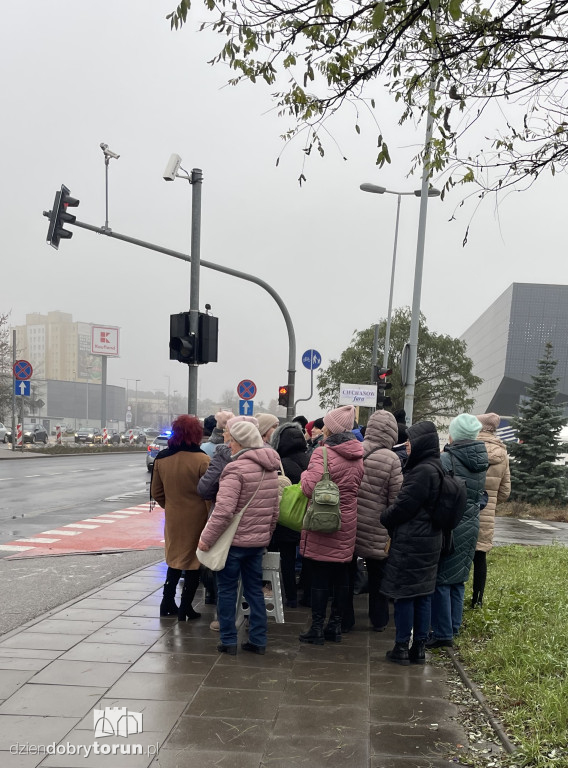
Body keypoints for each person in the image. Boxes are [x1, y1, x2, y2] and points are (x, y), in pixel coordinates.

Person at [198, 417, 280, 656]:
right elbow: (274, 510)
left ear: (242, 443)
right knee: (254, 590)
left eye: (232, 440)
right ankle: (258, 640)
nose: (229, 445)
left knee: (227, 591)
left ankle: (228, 640)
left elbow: (223, 512)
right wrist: (266, 533)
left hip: (233, 544)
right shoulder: (271, 468)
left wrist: (206, 539)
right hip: (257, 543)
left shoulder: (234, 469)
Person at [299, 404, 364, 645]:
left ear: (331, 429)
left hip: (323, 521)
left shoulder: (322, 454)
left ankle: (316, 628)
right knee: (341, 575)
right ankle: (334, 626)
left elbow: (308, 488)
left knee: (319, 577)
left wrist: (305, 474)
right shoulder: (358, 455)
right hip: (347, 521)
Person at [380, 421, 443, 665]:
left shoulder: (422, 472)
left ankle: (401, 647)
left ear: (421, 444)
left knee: (405, 594)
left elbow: (403, 506)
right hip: (430, 540)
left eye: (410, 442)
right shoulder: (436, 467)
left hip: (413, 541)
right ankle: (418, 648)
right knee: (423, 594)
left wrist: (384, 517)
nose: (406, 445)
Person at [427, 414, 489, 648]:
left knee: (442, 578)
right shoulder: (481, 460)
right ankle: (453, 625)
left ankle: (442, 633)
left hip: (451, 525)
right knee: (459, 578)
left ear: (456, 434)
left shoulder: (447, 459)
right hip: (472, 522)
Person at [151, 415, 210, 621]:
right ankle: (186, 607)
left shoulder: (162, 458)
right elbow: (209, 493)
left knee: (174, 560)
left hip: (173, 517)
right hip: (198, 518)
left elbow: (156, 492)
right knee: (193, 562)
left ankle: (167, 602)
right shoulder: (203, 460)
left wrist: (172, 506)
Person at [351, 410, 403, 632]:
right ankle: (379, 620)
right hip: (377, 528)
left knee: (347, 572)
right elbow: (396, 499)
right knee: (378, 575)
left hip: (351, 523)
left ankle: (344, 619)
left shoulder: (354, 450)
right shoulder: (392, 459)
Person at [197, 417, 239, 629]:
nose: (223, 435)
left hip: (231, 531)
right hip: (258, 534)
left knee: (226, 581)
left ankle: (225, 627)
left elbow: (221, 508)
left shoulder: (225, 460)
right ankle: (257, 633)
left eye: (226, 432)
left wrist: (207, 538)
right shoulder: (269, 456)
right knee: (252, 584)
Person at [471, 413, 511, 608]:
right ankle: (477, 600)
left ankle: (453, 597)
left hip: (465, 510)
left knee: (459, 555)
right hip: (487, 513)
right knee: (480, 557)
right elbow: (505, 490)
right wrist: (492, 501)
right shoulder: (503, 454)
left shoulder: (469, 446)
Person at [269, 421, 309, 607]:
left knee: (287, 558)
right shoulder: (310, 460)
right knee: (308, 556)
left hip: (287, 517)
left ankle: (291, 596)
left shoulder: (280, 463)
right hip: (308, 516)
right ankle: (306, 592)